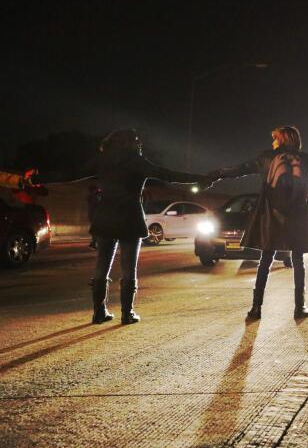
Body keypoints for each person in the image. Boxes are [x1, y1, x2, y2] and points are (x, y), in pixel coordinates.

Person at [26, 129, 211, 324]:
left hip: (105, 217)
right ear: (131, 143)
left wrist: (36, 178)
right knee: (129, 268)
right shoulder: (137, 161)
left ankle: (99, 312)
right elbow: (168, 175)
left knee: (101, 266)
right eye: (137, 141)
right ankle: (127, 313)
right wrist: (202, 178)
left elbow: (71, 174)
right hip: (130, 218)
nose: (140, 144)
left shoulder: (102, 159)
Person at [208, 126, 308, 320]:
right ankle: (300, 307)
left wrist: (215, 175)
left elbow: (238, 170)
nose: (273, 143)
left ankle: (256, 308)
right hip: (297, 219)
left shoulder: (265, 158)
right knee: (298, 261)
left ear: (281, 140)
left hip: (271, 218)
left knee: (265, 260)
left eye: (275, 139)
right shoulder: (305, 160)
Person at [86, 184, 102, 250]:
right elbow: (99, 204)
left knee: (95, 231)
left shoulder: (90, 197)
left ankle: (94, 243)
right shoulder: (94, 197)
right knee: (97, 231)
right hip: (95, 216)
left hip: (92, 216)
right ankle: (94, 243)